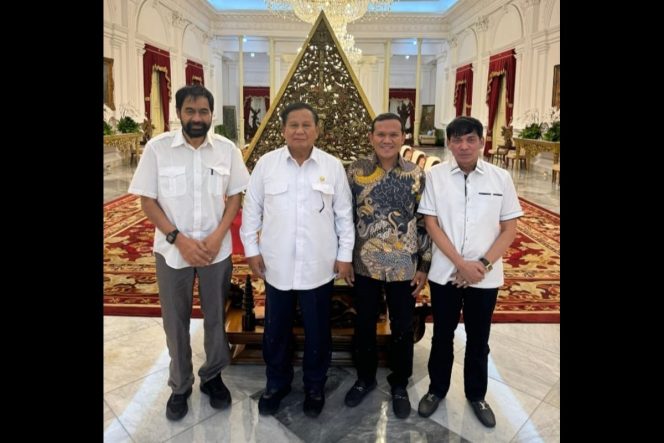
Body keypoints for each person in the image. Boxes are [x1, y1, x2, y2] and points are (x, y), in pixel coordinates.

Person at [128, 84, 250, 421]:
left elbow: (236, 196)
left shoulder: (227, 150)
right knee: (175, 321)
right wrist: (177, 239)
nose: (197, 118)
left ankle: (212, 376)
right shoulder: (158, 149)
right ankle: (180, 385)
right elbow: (147, 201)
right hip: (172, 252)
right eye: (190, 111)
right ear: (178, 112)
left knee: (216, 317)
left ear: (211, 114)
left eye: (203, 112)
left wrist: (218, 236)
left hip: (216, 250)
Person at [240, 102, 354, 418]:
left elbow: (344, 214)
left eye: (306, 125)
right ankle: (276, 384)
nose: (300, 130)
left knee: (319, 331)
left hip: (319, 265)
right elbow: (251, 210)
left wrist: (345, 255)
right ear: (283, 130)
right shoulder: (266, 164)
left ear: (317, 130)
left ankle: (315, 386)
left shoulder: (331, 167)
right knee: (275, 331)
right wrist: (251, 249)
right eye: (293, 125)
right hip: (277, 266)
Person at [415, 116, 523, 428]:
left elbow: (509, 228)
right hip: (446, 273)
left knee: (479, 338)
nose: (463, 146)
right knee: (442, 335)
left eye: (470, 139)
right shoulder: (435, 176)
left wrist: (482, 265)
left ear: (481, 141)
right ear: (448, 143)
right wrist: (461, 264)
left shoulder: (500, 178)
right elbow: (431, 224)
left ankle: (477, 395)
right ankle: (436, 390)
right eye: (457, 140)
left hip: (485, 277)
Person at [343, 112, 431, 419]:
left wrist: (424, 266)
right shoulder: (354, 172)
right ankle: (365, 378)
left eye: (394, 134)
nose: (387, 140)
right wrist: (344, 257)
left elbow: (425, 222)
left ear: (403, 138)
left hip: (403, 265)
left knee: (402, 327)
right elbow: (343, 217)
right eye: (381, 134)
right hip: (364, 263)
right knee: (364, 322)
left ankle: (399, 383)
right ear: (371, 137)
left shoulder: (417, 175)